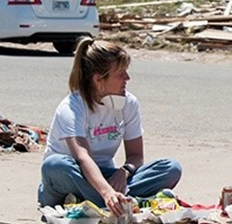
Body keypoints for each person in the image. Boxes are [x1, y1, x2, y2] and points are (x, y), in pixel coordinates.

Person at [38, 38, 182, 216]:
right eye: (121, 73)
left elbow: (136, 156)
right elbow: (83, 158)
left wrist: (123, 173)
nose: (127, 78)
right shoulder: (72, 107)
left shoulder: (129, 103)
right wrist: (107, 192)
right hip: (72, 176)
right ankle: (122, 203)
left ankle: (98, 204)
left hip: (106, 175)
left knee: (171, 168)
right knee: (54, 165)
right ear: (98, 79)